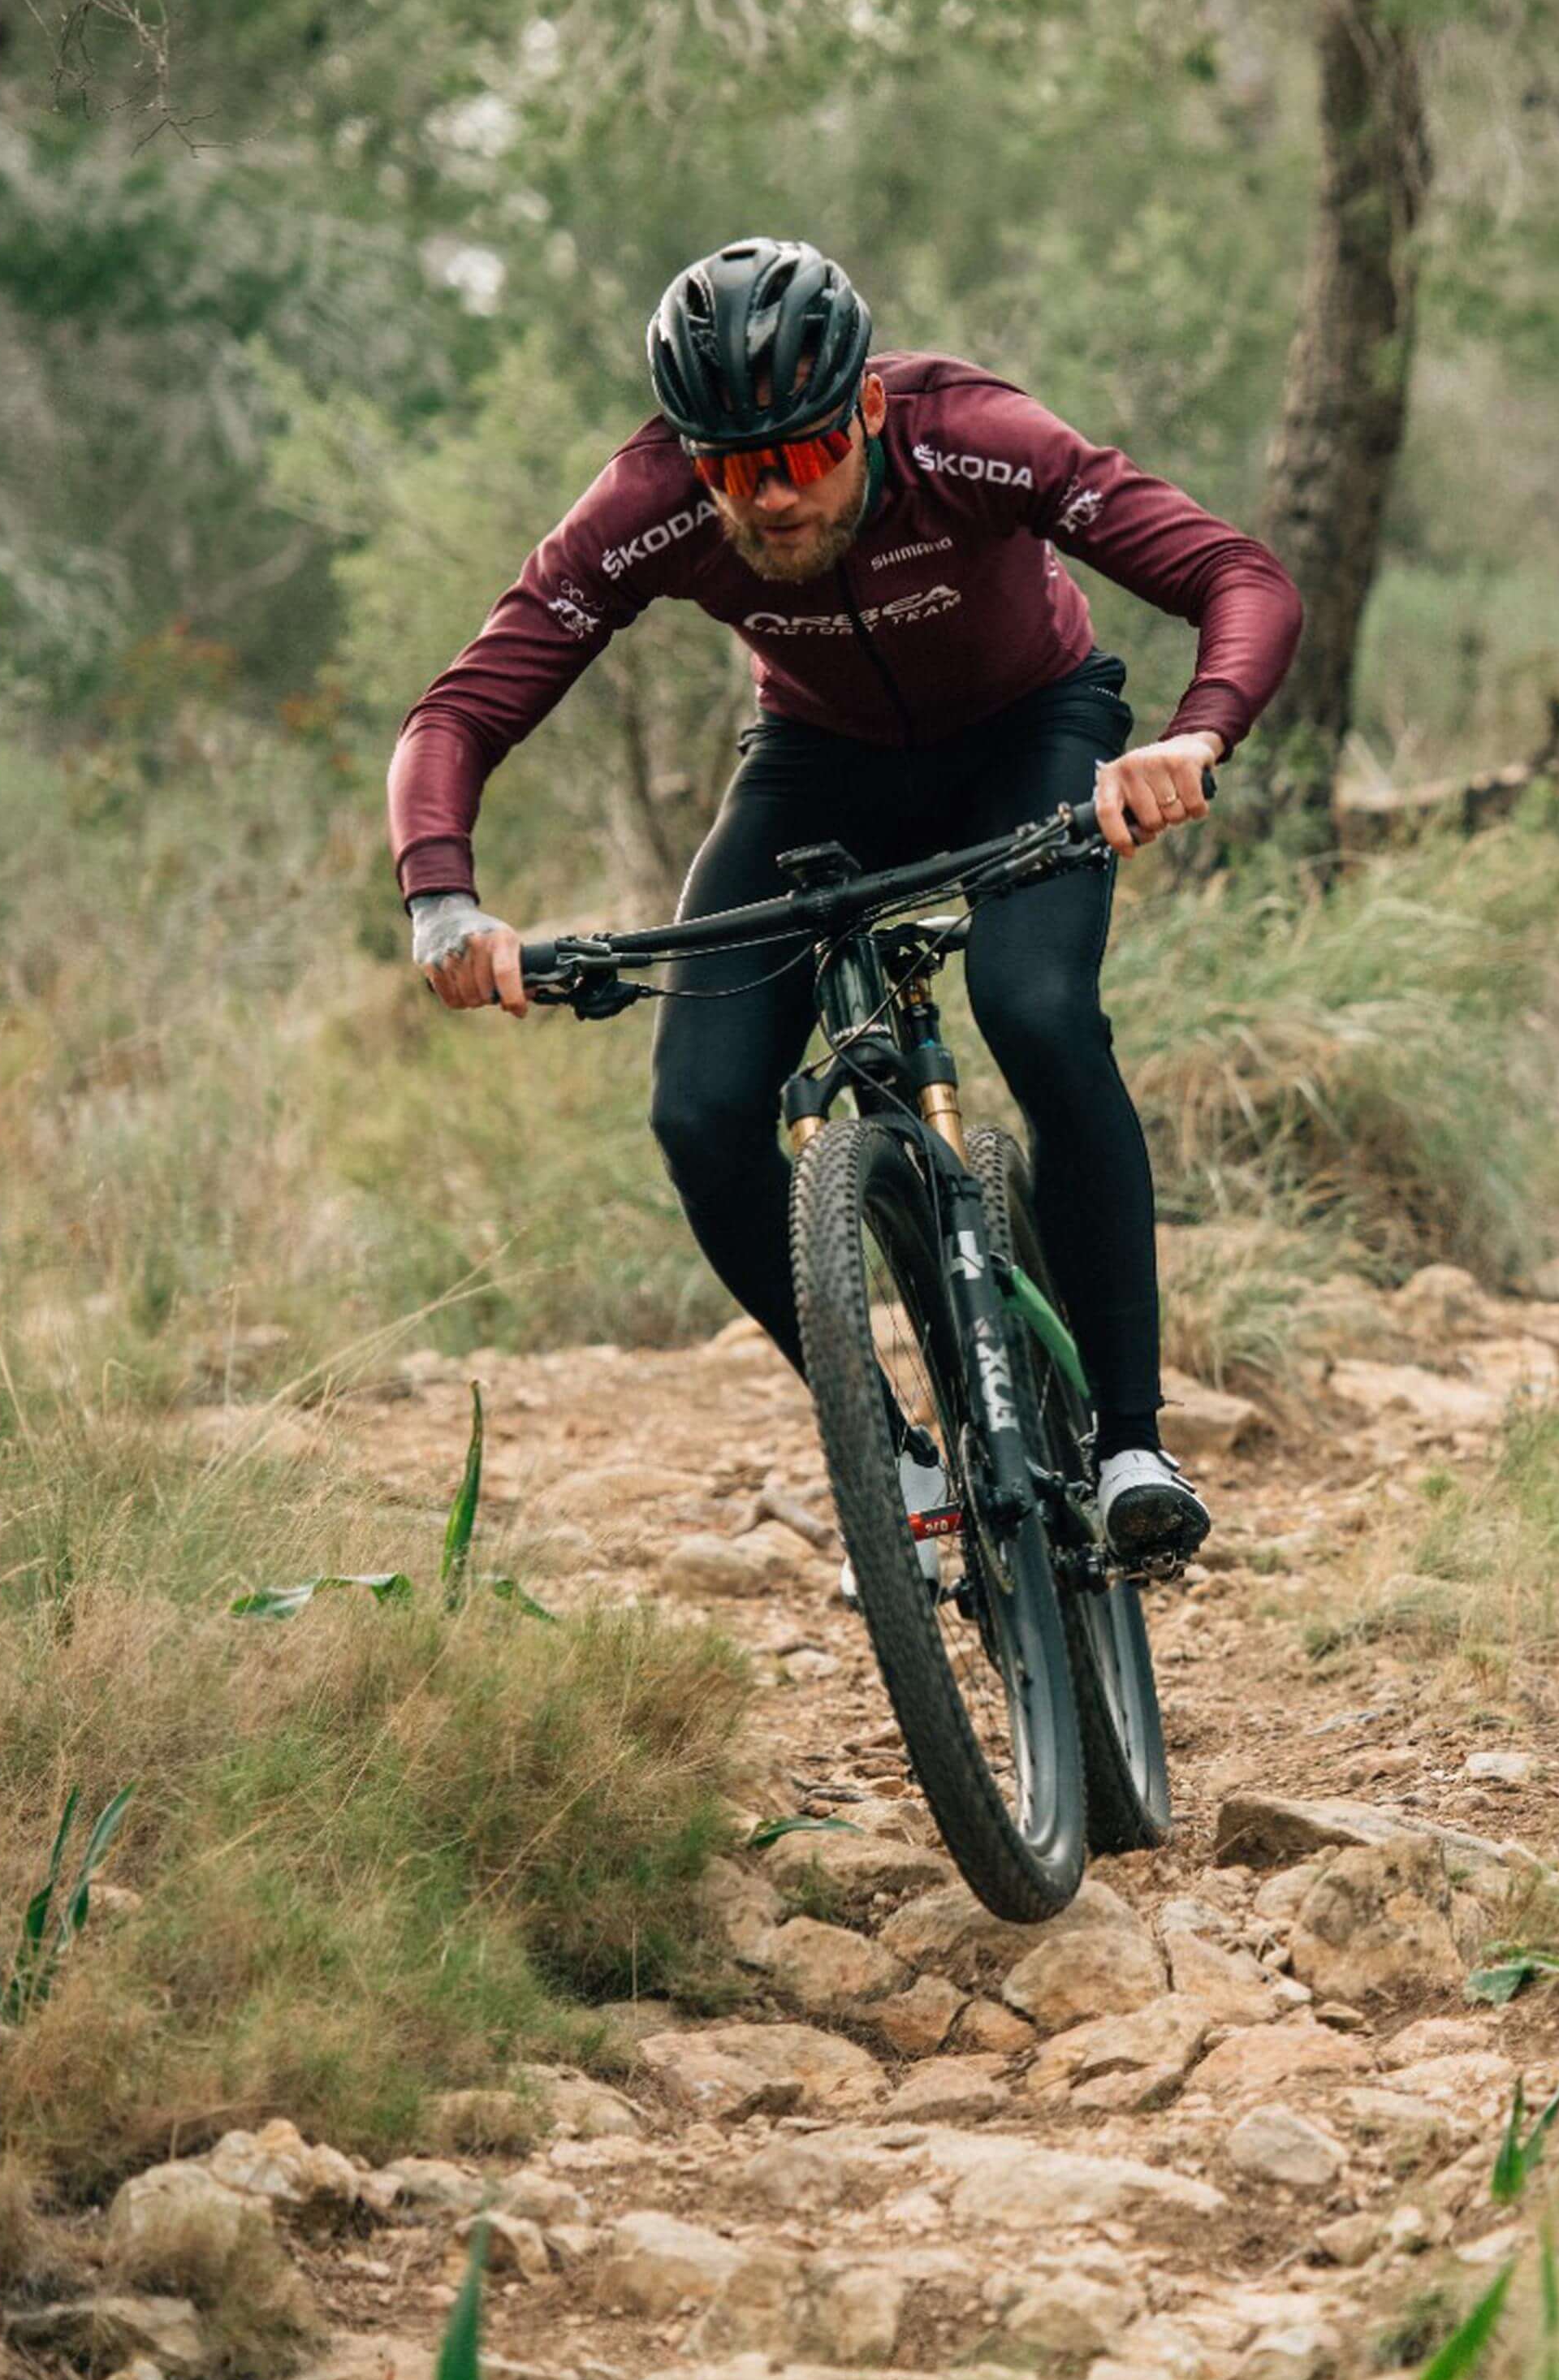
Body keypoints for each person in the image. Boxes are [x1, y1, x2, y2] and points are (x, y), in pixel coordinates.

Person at [389, 238, 1298, 1574]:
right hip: (818, 770)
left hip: (1030, 734)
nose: (770, 496)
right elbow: (461, 710)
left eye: (803, 452)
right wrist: (442, 902)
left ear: (866, 408)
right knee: (700, 1114)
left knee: (1036, 1010)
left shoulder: (969, 438)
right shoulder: (649, 503)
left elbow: (1239, 576)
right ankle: (890, 1450)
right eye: (729, 466)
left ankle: (1128, 1448)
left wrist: (1195, 735)